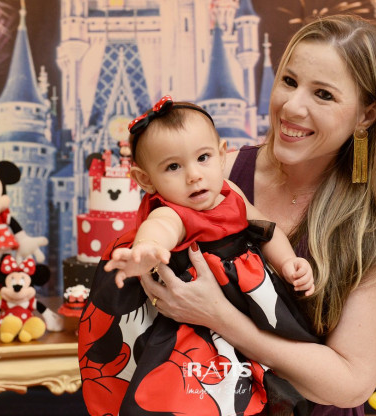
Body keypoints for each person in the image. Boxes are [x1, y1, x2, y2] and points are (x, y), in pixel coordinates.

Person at [137, 14, 376, 415]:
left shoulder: (370, 225)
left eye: (324, 94)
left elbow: (350, 385)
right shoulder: (214, 175)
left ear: (366, 115)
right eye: (289, 81)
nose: (292, 106)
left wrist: (221, 318)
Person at [79, 97, 321, 416]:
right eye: (173, 167)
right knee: (198, 385)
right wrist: (147, 250)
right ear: (146, 180)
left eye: (203, 158)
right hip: (195, 315)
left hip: (247, 299)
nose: (193, 175)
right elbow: (159, 229)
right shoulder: (172, 212)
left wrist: (288, 263)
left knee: (275, 366)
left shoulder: (230, 191)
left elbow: (265, 230)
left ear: (221, 155)